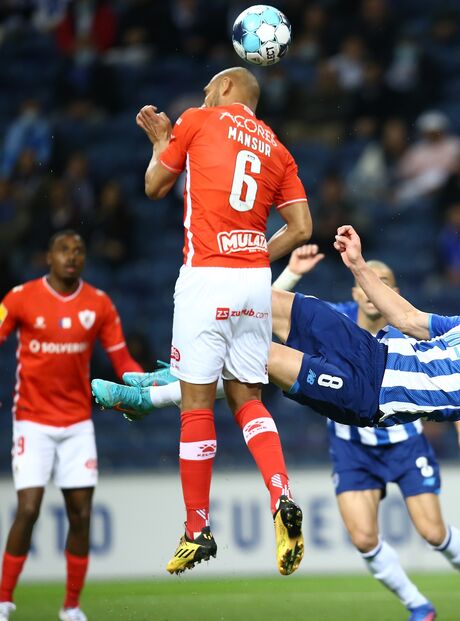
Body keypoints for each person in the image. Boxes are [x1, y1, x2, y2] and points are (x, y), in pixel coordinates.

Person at [93, 226, 460, 576]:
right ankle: (169, 379)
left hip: (368, 396)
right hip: (368, 349)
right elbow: (408, 317)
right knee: (256, 301)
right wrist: (359, 265)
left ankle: (155, 396)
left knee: (259, 357)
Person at [134, 66, 312, 575]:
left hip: (207, 277)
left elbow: (155, 186)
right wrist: (254, 255)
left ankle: (197, 530)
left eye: (210, 87)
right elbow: (302, 227)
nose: (205, 94)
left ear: (228, 87)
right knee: (247, 398)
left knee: (196, 403)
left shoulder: (197, 119)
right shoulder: (276, 146)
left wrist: (161, 143)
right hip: (254, 283)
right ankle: (281, 495)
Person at [273, 246, 460, 621]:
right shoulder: (335, 320)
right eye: (368, 282)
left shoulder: (408, 326)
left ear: (392, 293)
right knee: (363, 538)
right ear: (355, 291)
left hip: (404, 442)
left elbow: (443, 380)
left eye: (383, 283)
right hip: (352, 446)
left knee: (433, 532)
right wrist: (294, 274)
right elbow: (270, 311)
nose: (372, 289)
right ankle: (418, 606)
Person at [0, 231, 143, 621]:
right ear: (49, 256)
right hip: (32, 421)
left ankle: (71, 607)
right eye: (63, 250)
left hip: (78, 424)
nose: (71, 256)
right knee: (28, 509)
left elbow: (122, 360)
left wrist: (144, 389)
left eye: (78, 251)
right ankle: (4, 600)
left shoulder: (98, 304)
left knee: (80, 515)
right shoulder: (19, 299)